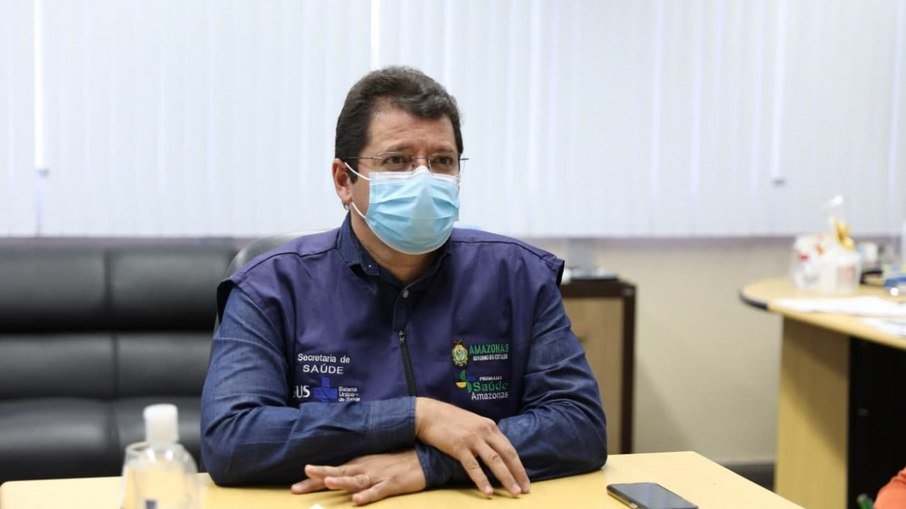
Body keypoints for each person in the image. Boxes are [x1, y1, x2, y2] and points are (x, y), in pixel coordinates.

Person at [200, 66, 607, 505]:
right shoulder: (270, 287)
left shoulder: (518, 276)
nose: (423, 179)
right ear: (344, 180)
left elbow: (579, 426)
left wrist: (430, 464)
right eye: (397, 160)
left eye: (442, 161)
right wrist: (415, 417)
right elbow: (232, 438)